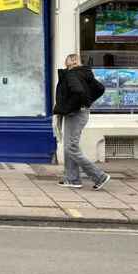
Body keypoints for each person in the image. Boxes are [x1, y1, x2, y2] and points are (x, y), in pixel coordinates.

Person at [53, 53, 111, 190]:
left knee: (71, 147)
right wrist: (87, 102)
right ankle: (72, 179)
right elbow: (100, 88)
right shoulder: (84, 73)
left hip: (75, 114)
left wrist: (71, 106)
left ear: (67, 62)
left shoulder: (72, 74)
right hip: (79, 112)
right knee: (69, 146)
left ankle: (99, 176)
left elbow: (78, 91)